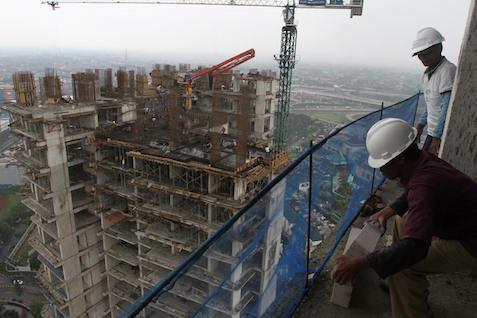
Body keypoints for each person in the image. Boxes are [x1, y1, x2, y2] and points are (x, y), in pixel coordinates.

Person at [332, 118, 477, 318]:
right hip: (461, 224)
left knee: (404, 265)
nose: (380, 169)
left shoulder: (424, 184)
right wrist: (387, 211)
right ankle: (404, 288)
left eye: (383, 163)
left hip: (469, 242)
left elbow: (416, 247)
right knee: (402, 220)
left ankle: (406, 297)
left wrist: (362, 262)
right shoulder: (422, 161)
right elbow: (414, 192)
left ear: (400, 159)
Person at [411, 27, 456, 155]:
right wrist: (420, 125)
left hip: (442, 134)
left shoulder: (447, 70)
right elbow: (430, 102)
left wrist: (437, 137)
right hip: (432, 132)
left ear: (439, 48)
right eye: (420, 54)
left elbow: (446, 106)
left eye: (427, 53)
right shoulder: (428, 74)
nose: (422, 58)